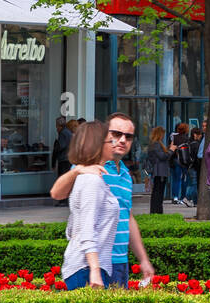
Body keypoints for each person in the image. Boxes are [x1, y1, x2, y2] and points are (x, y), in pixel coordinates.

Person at [52, 112, 155, 288]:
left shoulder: (125, 174)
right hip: (95, 259)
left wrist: (143, 259)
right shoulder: (89, 168)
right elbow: (57, 193)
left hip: (118, 261)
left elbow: (127, 217)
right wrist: (76, 171)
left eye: (128, 136)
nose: (122, 140)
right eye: (116, 134)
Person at [61, 121, 120, 291]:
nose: (115, 144)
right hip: (86, 270)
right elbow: (86, 230)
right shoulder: (92, 181)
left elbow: (72, 229)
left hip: (88, 267)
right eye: (111, 141)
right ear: (97, 146)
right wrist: (94, 269)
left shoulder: (92, 178)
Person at [143, 126, 172, 215]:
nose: (163, 136)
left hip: (158, 171)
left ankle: (156, 211)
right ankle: (157, 211)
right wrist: (171, 150)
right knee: (158, 192)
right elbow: (162, 157)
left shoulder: (154, 144)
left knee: (157, 191)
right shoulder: (156, 144)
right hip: (159, 171)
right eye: (162, 134)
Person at [169, 122, 193, 207]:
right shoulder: (187, 138)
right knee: (184, 180)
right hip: (184, 161)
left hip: (176, 160)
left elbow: (171, 148)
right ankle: (183, 197)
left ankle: (175, 196)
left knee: (176, 179)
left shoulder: (174, 137)